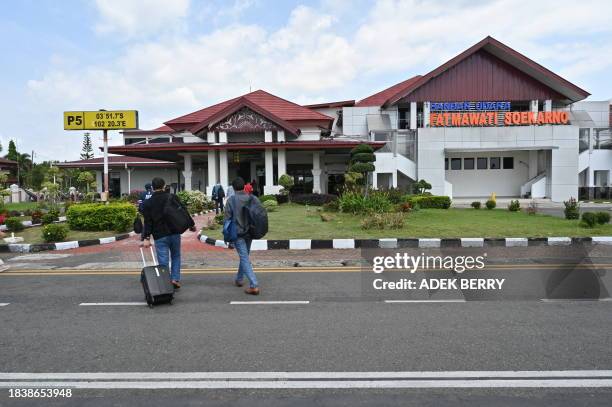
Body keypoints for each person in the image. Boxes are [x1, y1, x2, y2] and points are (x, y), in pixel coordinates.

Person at [141, 177, 196, 289]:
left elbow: (148, 222)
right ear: (164, 186)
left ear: (152, 187)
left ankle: (165, 282)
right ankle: (175, 279)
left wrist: (146, 237)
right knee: (176, 256)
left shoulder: (148, 203)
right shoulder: (172, 197)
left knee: (163, 260)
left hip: (159, 235)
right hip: (174, 232)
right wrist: (191, 224)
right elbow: (183, 211)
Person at [225, 177, 262, 295]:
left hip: (238, 233)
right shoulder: (252, 198)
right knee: (244, 256)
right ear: (244, 186)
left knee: (244, 257)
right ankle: (239, 279)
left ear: (233, 188)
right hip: (250, 232)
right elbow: (259, 213)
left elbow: (227, 220)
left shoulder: (231, 200)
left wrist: (227, 237)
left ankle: (254, 285)